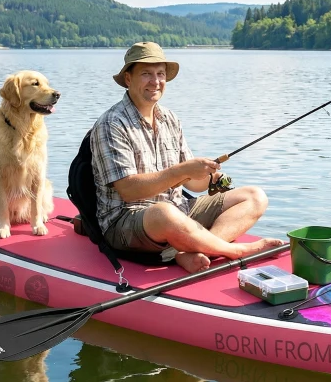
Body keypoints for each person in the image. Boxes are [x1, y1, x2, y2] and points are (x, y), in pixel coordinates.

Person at [90, 42, 283, 273]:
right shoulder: (111, 124)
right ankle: (234, 251)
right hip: (125, 221)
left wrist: (209, 177)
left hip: (178, 209)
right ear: (128, 79)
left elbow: (192, 184)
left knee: (254, 196)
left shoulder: (170, 119)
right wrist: (182, 171)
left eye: (160, 74)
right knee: (163, 212)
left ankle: (196, 252)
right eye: (146, 74)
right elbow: (129, 190)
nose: (155, 81)